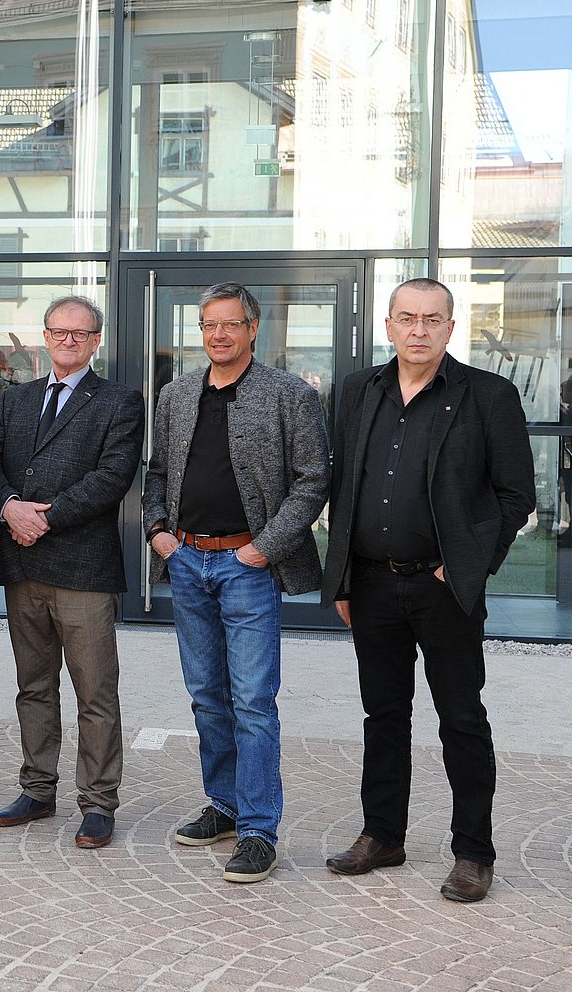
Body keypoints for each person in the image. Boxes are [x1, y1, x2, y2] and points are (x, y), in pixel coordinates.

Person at [321, 277, 536, 904]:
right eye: (407, 318)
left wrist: (467, 566)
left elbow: (516, 496)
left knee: (461, 719)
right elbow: (344, 486)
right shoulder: (358, 390)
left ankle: (473, 853)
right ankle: (382, 835)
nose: (419, 330)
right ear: (388, 325)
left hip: (445, 589)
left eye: (432, 319)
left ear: (450, 327)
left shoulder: (488, 396)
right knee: (383, 716)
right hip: (372, 583)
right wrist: (342, 577)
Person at [143, 281, 329, 884]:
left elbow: (313, 480)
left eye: (229, 323)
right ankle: (223, 805)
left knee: (252, 702)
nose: (218, 334)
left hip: (247, 565)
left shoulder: (289, 395)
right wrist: (158, 532)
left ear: (253, 329)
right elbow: (157, 472)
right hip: (188, 561)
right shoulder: (176, 394)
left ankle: (258, 830)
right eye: (208, 325)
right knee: (205, 694)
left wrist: (264, 548)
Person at [0, 296, 145, 849]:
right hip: (21, 563)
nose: (69, 340)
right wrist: (10, 508)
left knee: (95, 692)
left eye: (80, 333)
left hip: (83, 569)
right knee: (33, 686)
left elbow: (112, 477)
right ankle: (37, 789)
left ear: (97, 340)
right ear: (45, 336)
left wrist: (43, 519)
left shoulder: (120, 401)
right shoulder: (17, 398)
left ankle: (98, 803)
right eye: (59, 331)